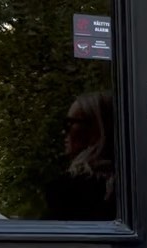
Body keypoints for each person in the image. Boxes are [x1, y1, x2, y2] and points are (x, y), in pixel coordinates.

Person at [45, 91, 115, 220]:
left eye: (69, 124)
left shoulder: (70, 192)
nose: (63, 132)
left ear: (96, 128)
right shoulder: (130, 185)